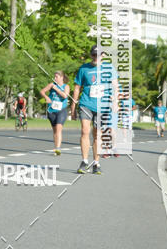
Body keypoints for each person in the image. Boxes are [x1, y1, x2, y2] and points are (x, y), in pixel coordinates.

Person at [71, 44, 118, 175]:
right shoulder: (84, 68)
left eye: (98, 55)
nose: (95, 58)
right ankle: (84, 161)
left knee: (97, 134)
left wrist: (116, 102)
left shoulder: (109, 68)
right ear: (91, 55)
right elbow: (76, 88)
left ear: (103, 55)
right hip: (86, 103)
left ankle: (96, 163)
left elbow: (115, 86)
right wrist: (73, 106)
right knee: (85, 131)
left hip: (102, 106)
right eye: (93, 55)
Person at [39, 71, 69, 155]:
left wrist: (56, 89)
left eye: (57, 77)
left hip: (61, 110)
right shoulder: (51, 85)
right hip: (51, 110)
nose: (55, 78)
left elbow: (65, 96)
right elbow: (42, 91)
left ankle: (58, 148)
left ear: (62, 77)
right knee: (55, 131)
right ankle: (56, 147)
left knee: (59, 128)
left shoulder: (66, 86)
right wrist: (46, 97)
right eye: (54, 77)